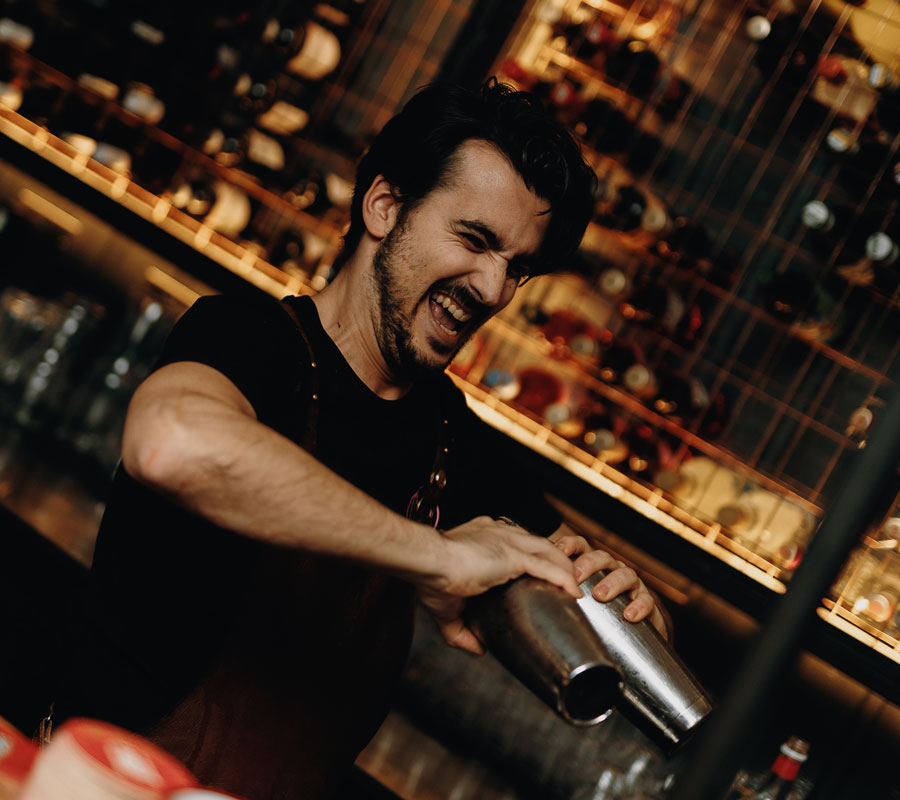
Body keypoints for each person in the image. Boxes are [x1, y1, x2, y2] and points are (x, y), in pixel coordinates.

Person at [59, 78, 667, 799]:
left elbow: (616, 653)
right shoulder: (251, 340)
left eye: (517, 266)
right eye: (474, 240)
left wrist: (629, 610)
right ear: (385, 206)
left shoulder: (452, 439)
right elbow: (172, 445)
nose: (494, 289)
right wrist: (436, 557)